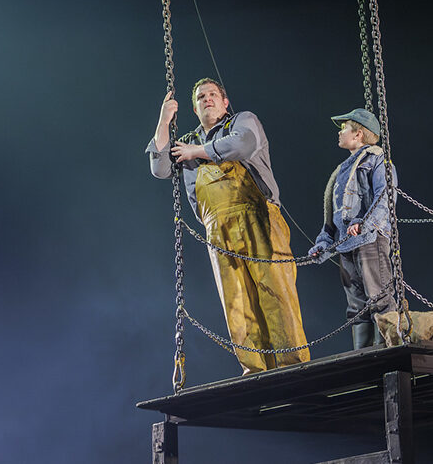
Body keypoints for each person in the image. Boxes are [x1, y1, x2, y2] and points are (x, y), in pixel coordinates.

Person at [147, 78, 309, 374]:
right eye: (199, 97)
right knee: (236, 302)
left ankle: (293, 366)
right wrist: (163, 120)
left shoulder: (242, 121)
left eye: (211, 95)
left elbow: (242, 145)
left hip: (259, 216)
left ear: (224, 102)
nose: (206, 99)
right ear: (194, 108)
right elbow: (160, 169)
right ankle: (255, 369)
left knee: (275, 291)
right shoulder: (186, 140)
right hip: (217, 228)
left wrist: (196, 153)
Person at [307, 108, 398, 349]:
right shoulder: (341, 171)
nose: (340, 133)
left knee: (379, 298)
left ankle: (386, 353)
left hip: (369, 240)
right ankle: (364, 357)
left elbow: (385, 197)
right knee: (357, 307)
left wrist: (365, 223)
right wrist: (323, 245)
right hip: (346, 245)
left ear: (358, 134)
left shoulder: (377, 159)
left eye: (343, 128)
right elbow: (332, 216)